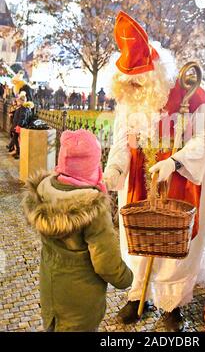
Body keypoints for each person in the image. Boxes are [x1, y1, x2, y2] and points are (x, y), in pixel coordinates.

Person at [104, 11, 205, 331]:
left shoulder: (189, 96)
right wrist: (114, 170)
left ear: (155, 74)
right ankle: (137, 298)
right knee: (137, 240)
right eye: (129, 84)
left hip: (178, 184)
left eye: (140, 82)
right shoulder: (129, 98)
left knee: (174, 244)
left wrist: (176, 161)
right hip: (139, 183)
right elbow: (122, 141)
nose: (134, 89)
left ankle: (172, 307)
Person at [22, 129, 133, 332]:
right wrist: (126, 278)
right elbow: (105, 262)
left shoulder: (45, 192)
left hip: (51, 291)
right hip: (81, 301)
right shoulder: (93, 208)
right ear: (92, 164)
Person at [10, 93, 34, 159]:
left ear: (21, 101)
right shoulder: (24, 107)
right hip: (18, 126)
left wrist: (18, 126)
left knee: (16, 139)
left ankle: (18, 152)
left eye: (18, 101)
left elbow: (22, 118)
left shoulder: (24, 108)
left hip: (19, 126)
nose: (17, 102)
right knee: (16, 139)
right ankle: (17, 151)